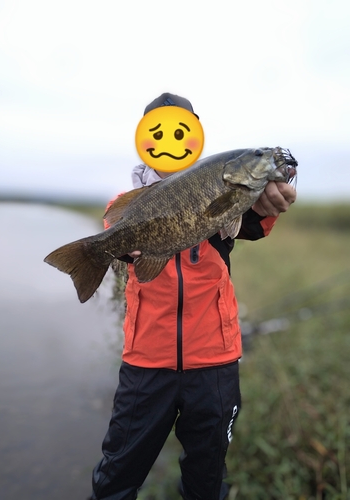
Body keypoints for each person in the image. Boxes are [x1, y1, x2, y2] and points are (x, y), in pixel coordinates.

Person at [88, 93, 297, 500]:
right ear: (144, 139)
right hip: (146, 362)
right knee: (116, 477)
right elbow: (117, 221)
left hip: (214, 363)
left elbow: (253, 221)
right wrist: (120, 248)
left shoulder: (225, 185)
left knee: (206, 480)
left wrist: (272, 198)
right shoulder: (125, 203)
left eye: (181, 131)